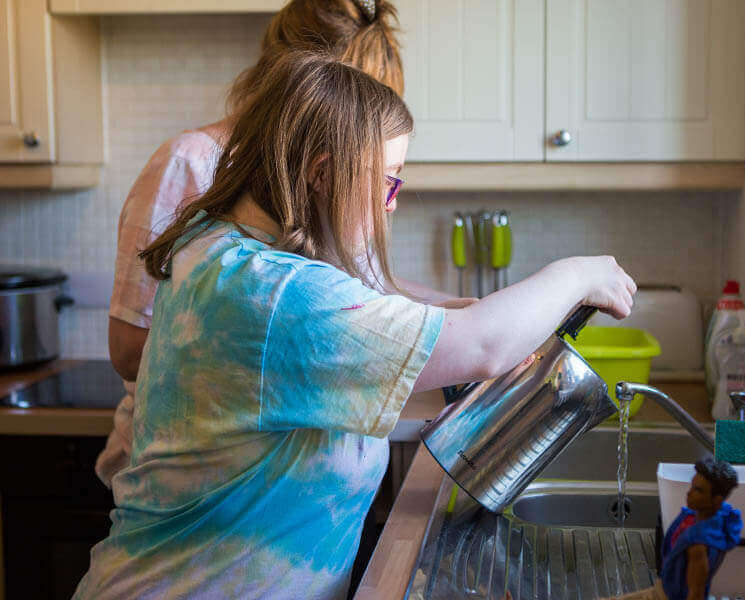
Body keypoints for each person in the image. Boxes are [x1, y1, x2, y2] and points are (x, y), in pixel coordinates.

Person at [74, 53, 636, 599]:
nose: (391, 205)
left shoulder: (222, 248)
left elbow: (403, 368)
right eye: (389, 180)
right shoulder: (279, 296)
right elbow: (483, 345)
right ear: (322, 174)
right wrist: (579, 274)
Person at [98, 0, 455, 487]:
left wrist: (454, 307)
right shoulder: (192, 161)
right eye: (349, 99)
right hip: (201, 480)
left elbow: (361, 291)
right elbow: (127, 348)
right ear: (302, 84)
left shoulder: (333, 184)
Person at [659, 457, 743, 600]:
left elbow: (696, 592)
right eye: (692, 486)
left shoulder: (698, 545)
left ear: (717, 500)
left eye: (698, 490)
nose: (689, 493)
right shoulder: (696, 517)